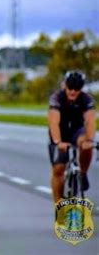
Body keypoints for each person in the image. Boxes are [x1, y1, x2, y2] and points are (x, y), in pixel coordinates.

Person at [48, 71, 96, 203]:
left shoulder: (87, 99)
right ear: (65, 85)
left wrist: (90, 140)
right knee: (58, 169)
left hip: (77, 131)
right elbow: (53, 121)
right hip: (60, 131)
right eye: (70, 87)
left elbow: (90, 121)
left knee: (86, 143)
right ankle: (58, 205)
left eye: (77, 88)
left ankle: (83, 173)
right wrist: (58, 141)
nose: (73, 91)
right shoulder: (57, 97)